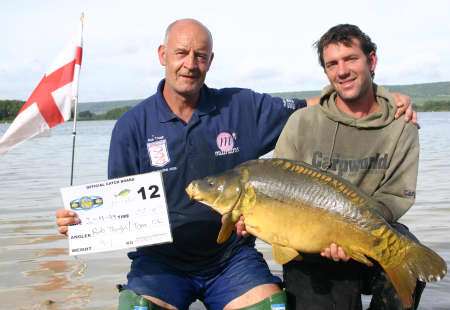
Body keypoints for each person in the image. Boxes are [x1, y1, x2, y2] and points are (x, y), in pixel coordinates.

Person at [56, 19, 414, 310]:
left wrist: (384, 98)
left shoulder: (242, 107)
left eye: (200, 55)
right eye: (181, 53)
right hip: (159, 263)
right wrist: (82, 221)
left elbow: (316, 105)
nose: (190, 63)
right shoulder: (130, 126)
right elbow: (118, 208)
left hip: (231, 260)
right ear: (163, 54)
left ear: (210, 61)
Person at [272, 24, 424, 309]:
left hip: (371, 232)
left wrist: (350, 229)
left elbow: (395, 197)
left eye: (350, 59)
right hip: (314, 245)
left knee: (408, 258)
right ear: (327, 72)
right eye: (332, 64)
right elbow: (280, 188)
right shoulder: (302, 123)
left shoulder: (402, 126)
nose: (342, 71)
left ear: (372, 60)